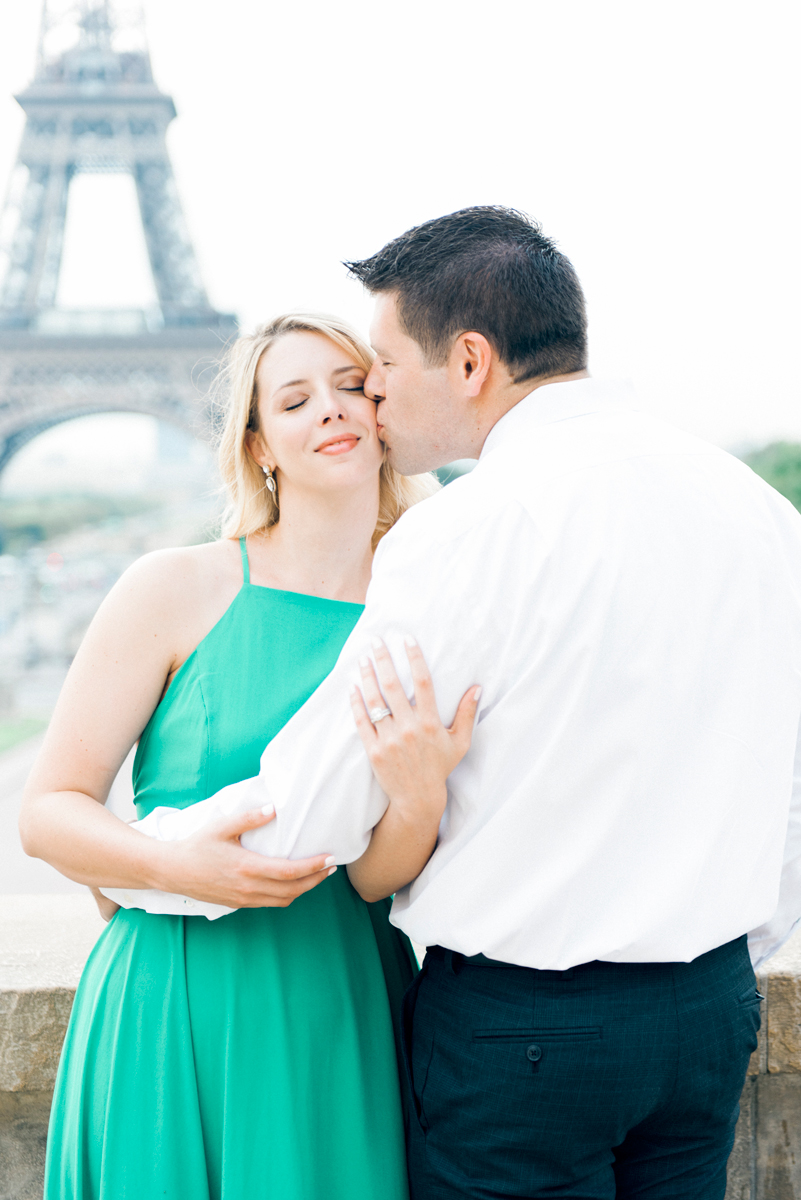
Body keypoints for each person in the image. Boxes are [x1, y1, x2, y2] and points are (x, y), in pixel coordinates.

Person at [168, 207, 801, 1199]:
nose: (373, 391)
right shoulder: (759, 512)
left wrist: (133, 861)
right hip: (708, 1009)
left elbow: (309, 812)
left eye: (383, 363)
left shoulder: (465, 532)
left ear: (469, 362)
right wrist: (722, 954)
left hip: (527, 1035)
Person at [19, 313, 480, 1200]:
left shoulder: (429, 608)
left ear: (385, 413)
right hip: (170, 999)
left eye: (351, 387)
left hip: (338, 999)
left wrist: (419, 800)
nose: (331, 410)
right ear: (259, 445)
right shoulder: (172, 587)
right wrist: (171, 866)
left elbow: (373, 879)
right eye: (295, 400)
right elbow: (47, 812)